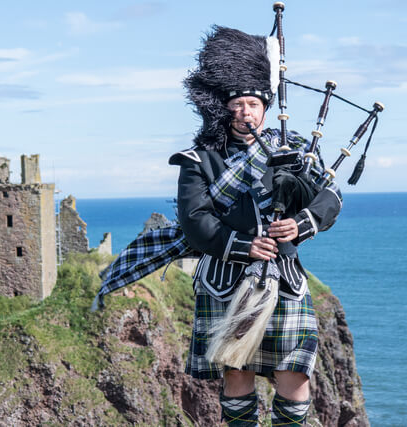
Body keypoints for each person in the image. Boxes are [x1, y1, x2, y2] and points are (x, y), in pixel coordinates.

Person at [168, 26, 342, 426]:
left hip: (284, 277)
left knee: (296, 373)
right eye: (237, 104)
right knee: (237, 370)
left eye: (252, 103)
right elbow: (194, 221)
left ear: (264, 108)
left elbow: (330, 199)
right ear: (222, 109)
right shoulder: (200, 159)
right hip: (226, 278)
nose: (245, 111)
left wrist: (302, 222)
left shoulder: (293, 150)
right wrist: (245, 245)